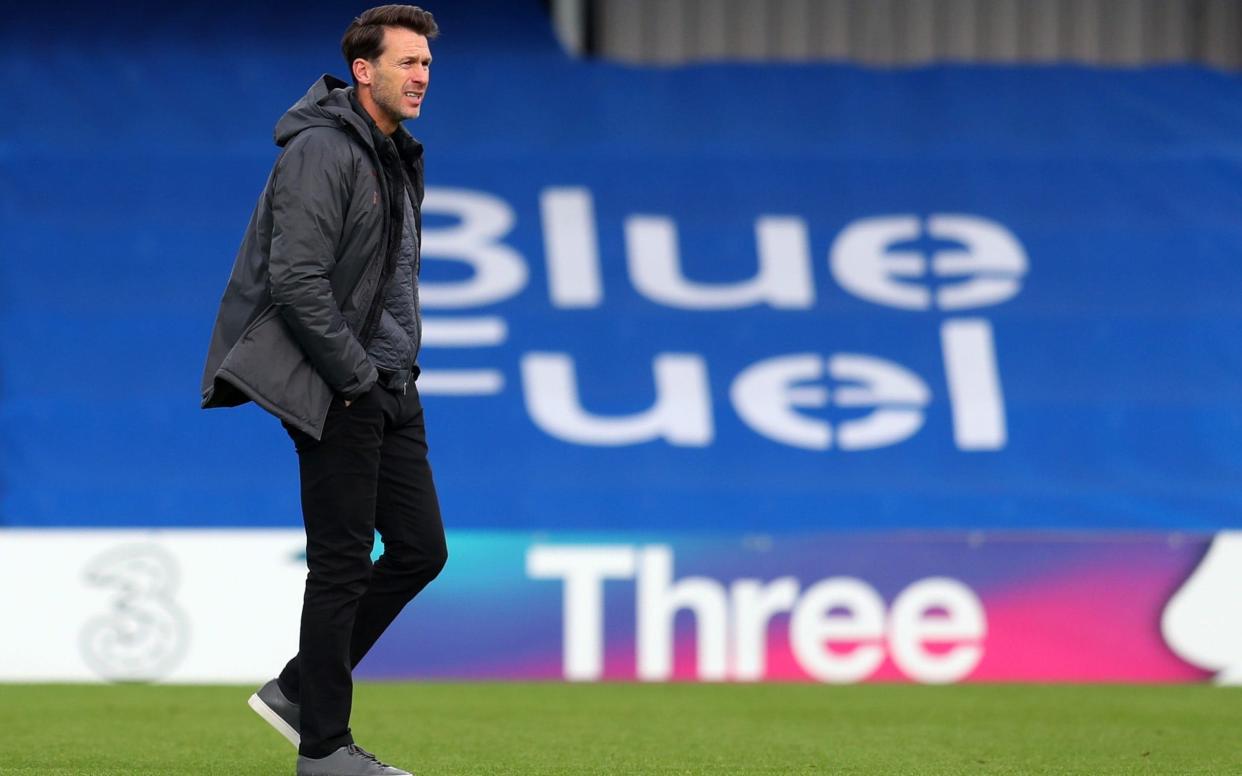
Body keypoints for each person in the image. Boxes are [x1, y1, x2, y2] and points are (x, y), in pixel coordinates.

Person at [200, 6, 446, 775]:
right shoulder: (321, 150)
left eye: (428, 65)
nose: (422, 77)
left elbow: (386, 281)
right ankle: (325, 749)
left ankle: (302, 688)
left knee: (420, 550)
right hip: (344, 385)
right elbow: (296, 280)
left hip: (392, 384)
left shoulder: (394, 153)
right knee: (340, 563)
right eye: (407, 63)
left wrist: (391, 374)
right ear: (363, 71)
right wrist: (355, 377)